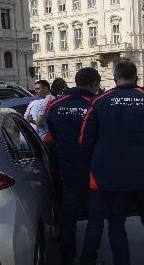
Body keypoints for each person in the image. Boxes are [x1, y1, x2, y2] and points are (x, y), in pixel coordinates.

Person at [80, 60, 144, 265]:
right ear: (136, 77)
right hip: (143, 172)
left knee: (116, 222)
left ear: (115, 78)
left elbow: (84, 140)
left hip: (110, 174)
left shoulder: (100, 100)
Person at [46, 68, 104, 265]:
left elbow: (52, 135)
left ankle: (67, 257)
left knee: (68, 216)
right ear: (94, 84)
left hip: (68, 169)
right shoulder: (97, 105)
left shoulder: (56, 104)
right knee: (95, 216)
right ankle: (89, 259)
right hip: (94, 170)